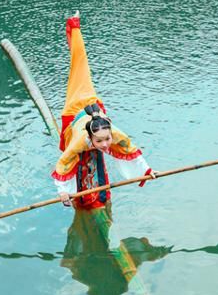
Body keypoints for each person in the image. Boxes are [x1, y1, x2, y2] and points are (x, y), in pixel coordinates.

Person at [53, 11, 157, 210]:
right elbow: (64, 163)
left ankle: (100, 199)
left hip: (92, 107)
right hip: (75, 107)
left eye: (106, 139)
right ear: (90, 138)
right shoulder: (79, 141)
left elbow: (130, 149)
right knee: (79, 64)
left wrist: (147, 171)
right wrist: (63, 191)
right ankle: (74, 27)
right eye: (99, 141)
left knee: (97, 158)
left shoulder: (112, 132)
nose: (104, 144)